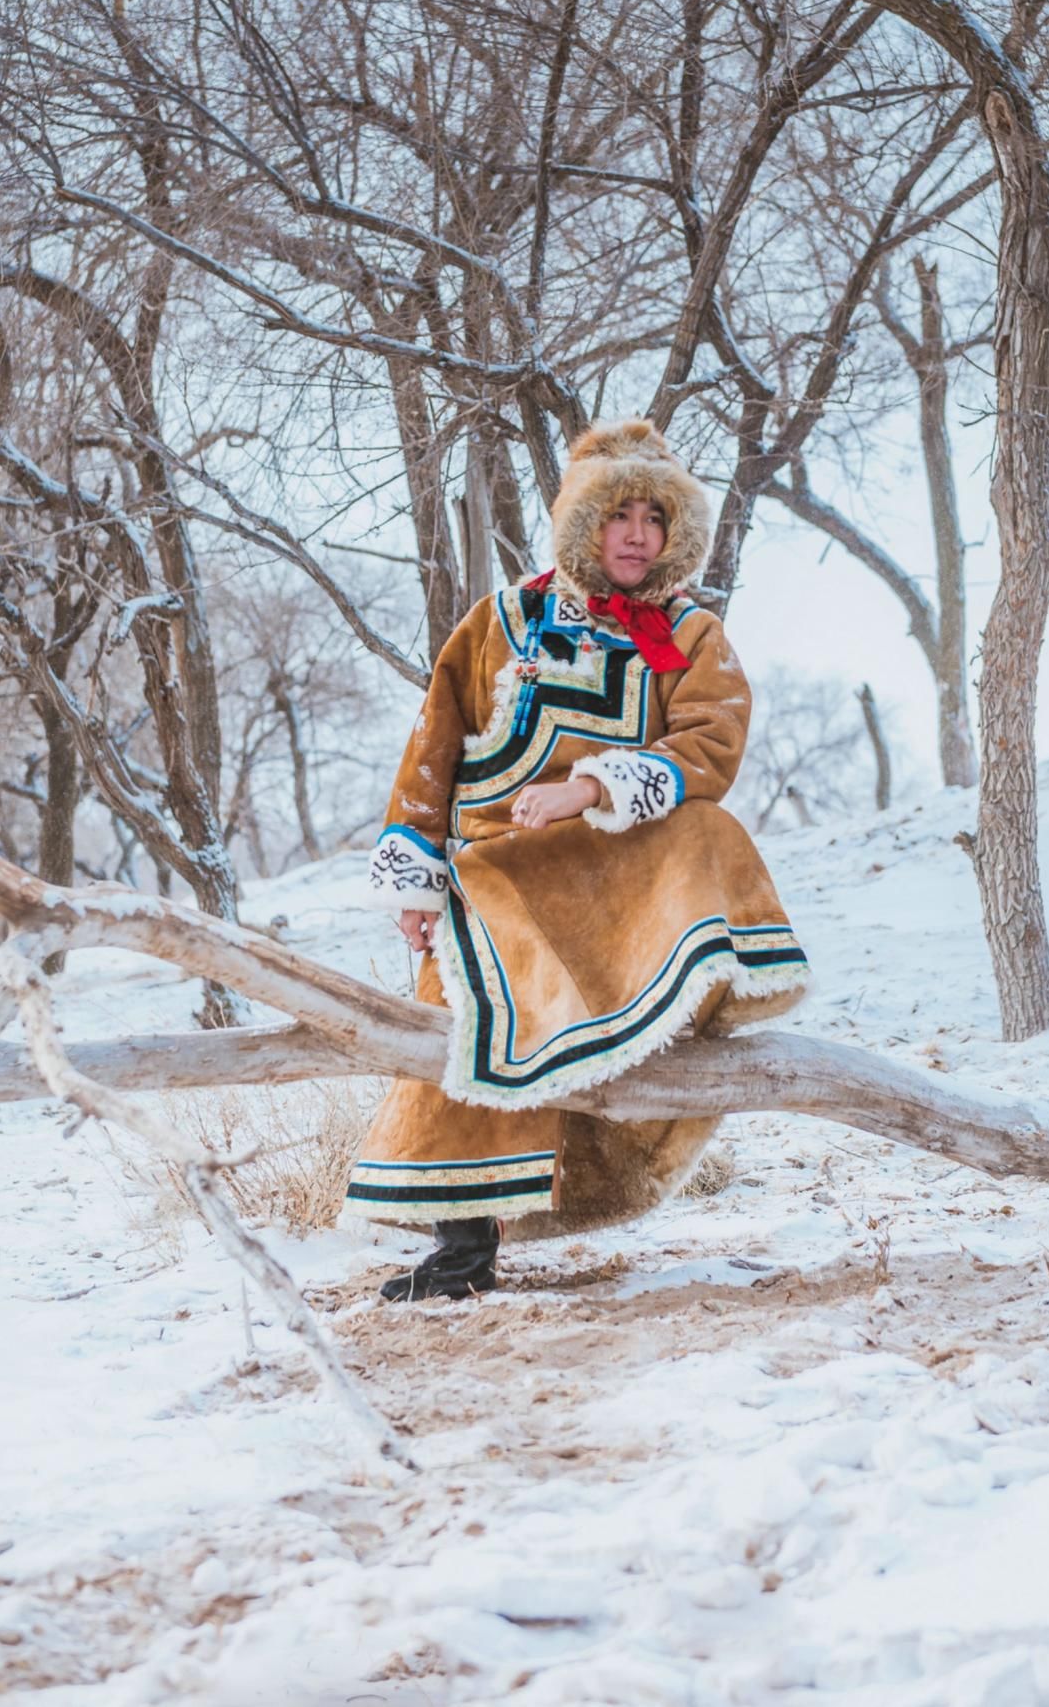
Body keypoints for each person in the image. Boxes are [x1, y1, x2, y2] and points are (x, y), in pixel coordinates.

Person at [347, 419, 810, 1300]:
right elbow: (430, 752)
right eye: (618, 513)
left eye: (655, 515)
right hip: (495, 875)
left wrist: (592, 790)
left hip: (611, 875)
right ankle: (462, 1249)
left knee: (713, 830)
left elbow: (711, 744)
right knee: (466, 1028)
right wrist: (415, 876)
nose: (638, 532)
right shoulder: (501, 621)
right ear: (580, 523)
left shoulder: (689, 632)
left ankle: (683, 1012)